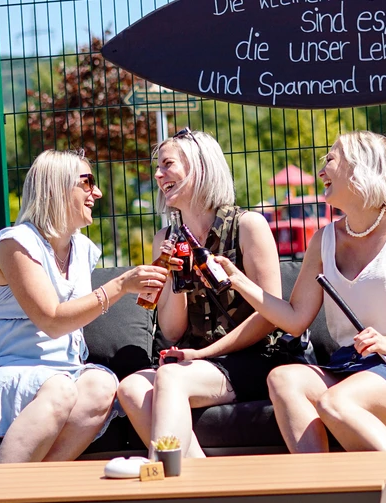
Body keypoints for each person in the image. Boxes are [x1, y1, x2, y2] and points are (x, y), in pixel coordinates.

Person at [215, 131, 386, 503]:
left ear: (361, 168)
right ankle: (325, 498)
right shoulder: (324, 239)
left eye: (330, 160)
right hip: (354, 363)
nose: (321, 171)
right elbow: (295, 319)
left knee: (336, 401)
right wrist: (238, 280)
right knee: (284, 378)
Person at [0, 149, 169, 462]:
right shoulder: (16, 245)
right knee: (60, 388)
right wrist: (121, 285)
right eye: (88, 182)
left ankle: (39, 483)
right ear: (57, 188)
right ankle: (1, 489)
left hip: (60, 372)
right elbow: (52, 321)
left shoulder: (82, 249)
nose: (97, 192)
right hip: (0, 371)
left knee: (100, 385)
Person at [116, 128, 288, 459]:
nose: (158, 175)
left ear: (200, 166)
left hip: (252, 358)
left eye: (167, 164)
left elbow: (270, 316)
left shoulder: (248, 226)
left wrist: (203, 354)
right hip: (194, 361)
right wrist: (175, 277)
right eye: (158, 167)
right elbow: (172, 331)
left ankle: (162, 475)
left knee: (170, 377)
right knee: (131, 388)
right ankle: (202, 478)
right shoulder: (165, 238)